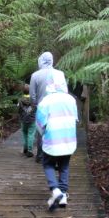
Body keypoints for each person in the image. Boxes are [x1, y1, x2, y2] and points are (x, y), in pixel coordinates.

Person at [36, 72, 78, 210]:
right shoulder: (71, 100)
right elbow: (75, 120)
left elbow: (40, 124)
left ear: (49, 84)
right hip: (68, 140)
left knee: (48, 164)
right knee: (64, 166)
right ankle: (63, 195)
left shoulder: (46, 101)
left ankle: (55, 190)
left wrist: (43, 135)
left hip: (52, 140)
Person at [29, 51, 68, 163]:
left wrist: (35, 105)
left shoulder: (35, 75)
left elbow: (32, 96)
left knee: (42, 131)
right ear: (52, 60)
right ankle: (55, 156)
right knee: (56, 130)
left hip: (41, 108)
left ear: (41, 60)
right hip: (58, 108)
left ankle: (41, 156)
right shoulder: (60, 74)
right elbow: (65, 91)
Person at [18, 84, 36, 157]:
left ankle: (25, 148)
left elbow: (19, 110)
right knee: (31, 134)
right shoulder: (33, 100)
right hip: (32, 119)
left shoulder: (20, 100)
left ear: (23, 91)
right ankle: (30, 150)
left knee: (25, 133)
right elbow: (35, 109)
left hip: (23, 119)